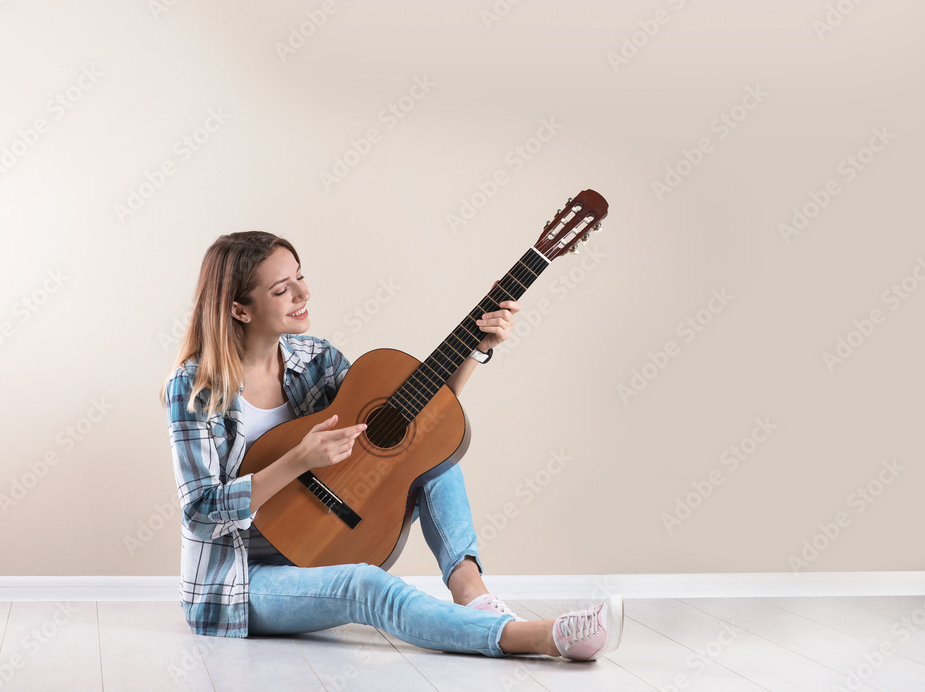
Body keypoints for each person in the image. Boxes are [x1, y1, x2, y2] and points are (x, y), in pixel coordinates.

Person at [159, 230, 623, 660]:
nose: (303, 295)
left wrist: (475, 350)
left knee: (435, 463)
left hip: (320, 533)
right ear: (240, 309)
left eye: (300, 278)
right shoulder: (196, 387)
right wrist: (299, 459)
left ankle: (475, 595)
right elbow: (200, 513)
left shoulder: (315, 359)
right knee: (367, 585)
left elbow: (409, 429)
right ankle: (538, 636)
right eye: (282, 290)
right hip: (239, 578)